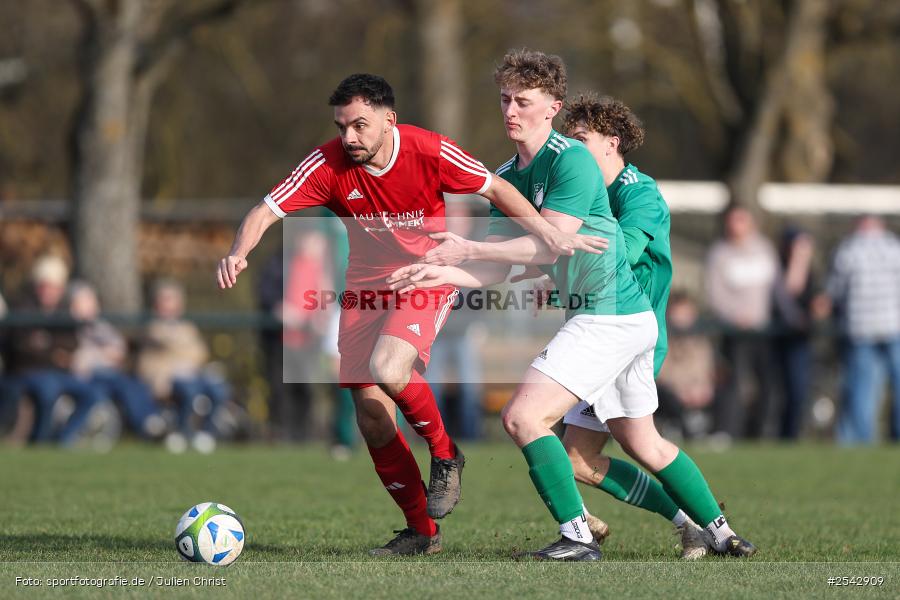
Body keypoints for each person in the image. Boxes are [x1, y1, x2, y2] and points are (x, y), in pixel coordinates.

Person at [215, 73, 606, 556]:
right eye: (342, 126)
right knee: (372, 416)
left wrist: (548, 237)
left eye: (359, 125)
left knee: (389, 367)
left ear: (389, 120)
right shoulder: (326, 163)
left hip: (428, 274)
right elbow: (265, 210)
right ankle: (422, 532)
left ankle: (445, 453)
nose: (349, 137)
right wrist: (238, 251)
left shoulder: (430, 150)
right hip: (364, 287)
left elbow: (496, 189)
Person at [390, 50, 755, 561]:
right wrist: (439, 272)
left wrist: (469, 248)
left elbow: (552, 243)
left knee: (522, 418)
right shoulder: (507, 175)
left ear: (552, 107)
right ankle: (718, 532)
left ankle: (578, 538)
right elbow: (498, 266)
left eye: (523, 101)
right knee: (641, 443)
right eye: (504, 100)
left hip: (608, 313)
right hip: (618, 318)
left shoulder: (573, 159)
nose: (510, 111)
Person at [4, 255, 101, 444]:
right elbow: (21, 346)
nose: (48, 292)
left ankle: (63, 439)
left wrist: (46, 344)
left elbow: (71, 344)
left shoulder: (63, 312)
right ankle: (40, 441)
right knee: (47, 389)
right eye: (44, 286)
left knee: (93, 394)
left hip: (58, 372)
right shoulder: (22, 308)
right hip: (26, 372)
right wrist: (54, 351)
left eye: (53, 287)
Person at [824, 215, 900, 444]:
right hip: (893, 325)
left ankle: (863, 440)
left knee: (863, 388)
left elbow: (834, 291)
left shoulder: (848, 250)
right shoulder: (894, 248)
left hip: (860, 327)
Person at [705, 204, 779, 439]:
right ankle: (730, 432)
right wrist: (734, 316)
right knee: (734, 384)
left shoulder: (764, 249)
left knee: (768, 384)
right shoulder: (720, 253)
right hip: (734, 331)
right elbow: (714, 293)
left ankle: (764, 434)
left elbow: (776, 288)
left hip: (763, 330)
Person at [137, 280, 228, 453]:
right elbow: (166, 344)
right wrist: (182, 352)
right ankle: (181, 431)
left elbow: (200, 353)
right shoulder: (151, 326)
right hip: (166, 379)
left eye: (172, 299)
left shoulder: (187, 327)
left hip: (192, 374)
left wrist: (183, 355)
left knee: (218, 389)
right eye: (164, 299)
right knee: (189, 391)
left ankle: (206, 433)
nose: (168, 304)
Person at [69, 281, 165, 439]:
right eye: (82, 302)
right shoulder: (69, 328)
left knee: (135, 385)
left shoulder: (100, 326)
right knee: (120, 385)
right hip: (87, 376)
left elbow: (118, 349)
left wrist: (100, 354)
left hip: (109, 374)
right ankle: (145, 424)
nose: (87, 306)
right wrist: (102, 354)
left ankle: (151, 421)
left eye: (89, 301)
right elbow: (80, 359)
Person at [772, 227, 817, 439]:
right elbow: (790, 290)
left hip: (802, 341)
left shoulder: (813, 271)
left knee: (799, 390)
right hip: (779, 340)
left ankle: (793, 434)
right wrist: (798, 262)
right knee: (780, 391)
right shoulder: (778, 266)